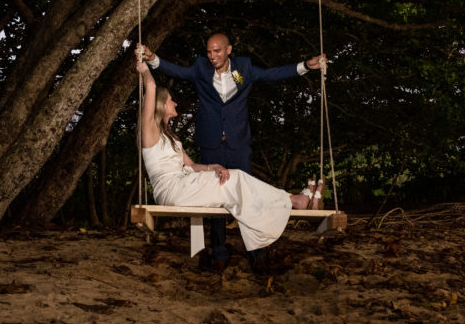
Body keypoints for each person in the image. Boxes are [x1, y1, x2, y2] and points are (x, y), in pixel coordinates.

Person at [135, 33, 326, 271]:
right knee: (217, 200)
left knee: (244, 188)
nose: (212, 56)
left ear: (229, 50)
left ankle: (257, 252)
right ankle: (219, 252)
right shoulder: (201, 68)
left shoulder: (241, 70)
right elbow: (177, 71)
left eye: (217, 51)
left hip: (238, 143)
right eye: (209, 52)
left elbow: (272, 74)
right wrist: (151, 58)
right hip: (211, 143)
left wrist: (305, 65)